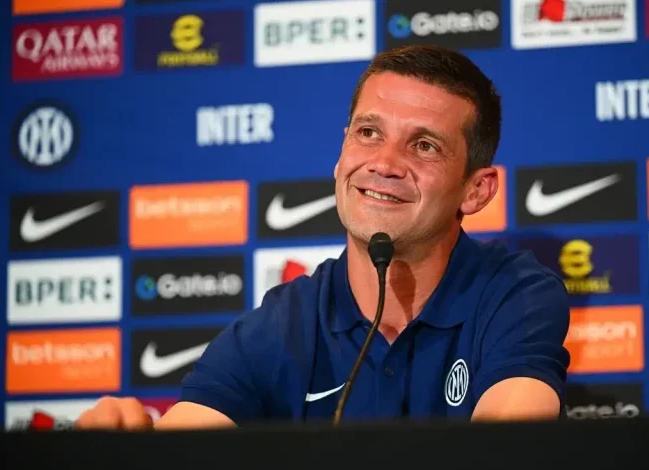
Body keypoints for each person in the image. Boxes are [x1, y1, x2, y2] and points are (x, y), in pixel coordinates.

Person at [75, 44, 571, 431]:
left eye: (424, 146)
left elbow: (507, 443)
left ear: (476, 190)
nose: (384, 164)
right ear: (340, 156)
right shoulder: (284, 323)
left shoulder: (515, 294)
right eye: (368, 133)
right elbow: (191, 436)